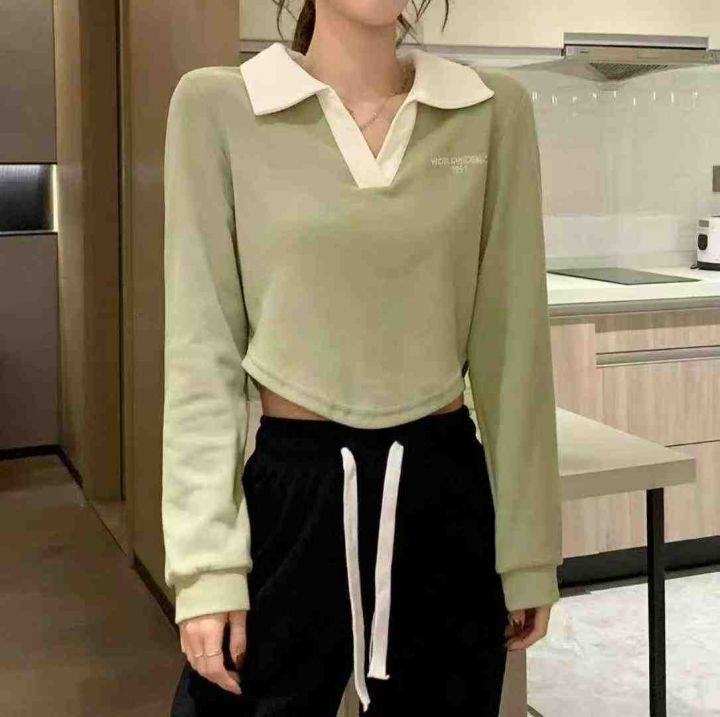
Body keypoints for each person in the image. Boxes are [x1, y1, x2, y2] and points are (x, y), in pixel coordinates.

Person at [161, 1, 563, 715]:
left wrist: (528, 549)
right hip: (292, 493)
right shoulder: (218, 107)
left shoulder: (490, 111)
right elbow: (202, 351)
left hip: (442, 492)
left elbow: (514, 349)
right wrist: (205, 567)